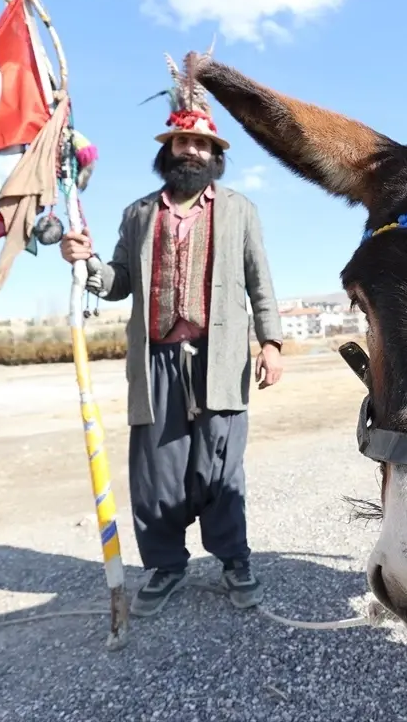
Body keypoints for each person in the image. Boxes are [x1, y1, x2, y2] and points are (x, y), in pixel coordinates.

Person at [59, 52, 284, 617]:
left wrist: (272, 342)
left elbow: (260, 281)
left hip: (221, 355)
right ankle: (165, 567)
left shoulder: (239, 211)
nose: (194, 152)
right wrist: (85, 263)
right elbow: (116, 284)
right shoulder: (138, 215)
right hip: (156, 359)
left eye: (204, 146)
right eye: (185, 145)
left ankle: (234, 560)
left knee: (220, 465)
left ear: (215, 157)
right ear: (169, 151)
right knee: (157, 471)